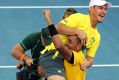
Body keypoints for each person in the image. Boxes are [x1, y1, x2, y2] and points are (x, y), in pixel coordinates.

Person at [42, 0, 112, 78]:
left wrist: (88, 63)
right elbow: (58, 28)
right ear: (91, 8)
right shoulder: (79, 17)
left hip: (72, 61)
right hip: (55, 56)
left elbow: (90, 58)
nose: (104, 11)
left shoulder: (97, 36)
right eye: (100, 8)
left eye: (105, 9)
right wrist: (77, 31)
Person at [11, 8, 78, 80]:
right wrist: (28, 60)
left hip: (57, 69)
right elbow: (15, 51)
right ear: (41, 36)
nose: (48, 46)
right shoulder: (34, 37)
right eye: (46, 42)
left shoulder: (61, 41)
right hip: (37, 70)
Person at [44, 10, 86, 80]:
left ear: (79, 45)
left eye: (70, 42)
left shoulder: (76, 57)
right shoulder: (76, 53)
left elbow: (59, 46)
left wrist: (48, 19)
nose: (66, 43)